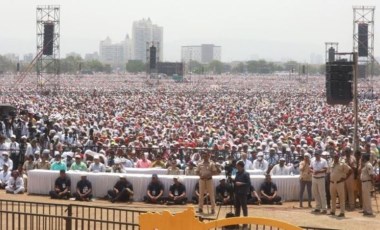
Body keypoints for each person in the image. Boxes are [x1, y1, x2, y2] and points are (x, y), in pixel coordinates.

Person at [328, 153, 352, 217]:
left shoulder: (342, 164)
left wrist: (345, 179)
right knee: (333, 197)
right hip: (332, 182)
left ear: (338, 157)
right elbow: (329, 172)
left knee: (341, 198)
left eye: (337, 157)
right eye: (334, 157)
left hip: (339, 182)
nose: (335, 158)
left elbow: (350, 170)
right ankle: (333, 211)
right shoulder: (331, 163)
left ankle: (342, 212)